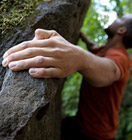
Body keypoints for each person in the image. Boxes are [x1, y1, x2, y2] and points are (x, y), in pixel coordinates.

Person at [2, 14, 132, 140]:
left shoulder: (121, 58)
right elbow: (94, 47)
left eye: (120, 19)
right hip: (81, 121)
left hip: (98, 134)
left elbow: (112, 71)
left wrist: (80, 57)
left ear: (122, 30)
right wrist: (83, 37)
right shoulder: (103, 51)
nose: (116, 19)